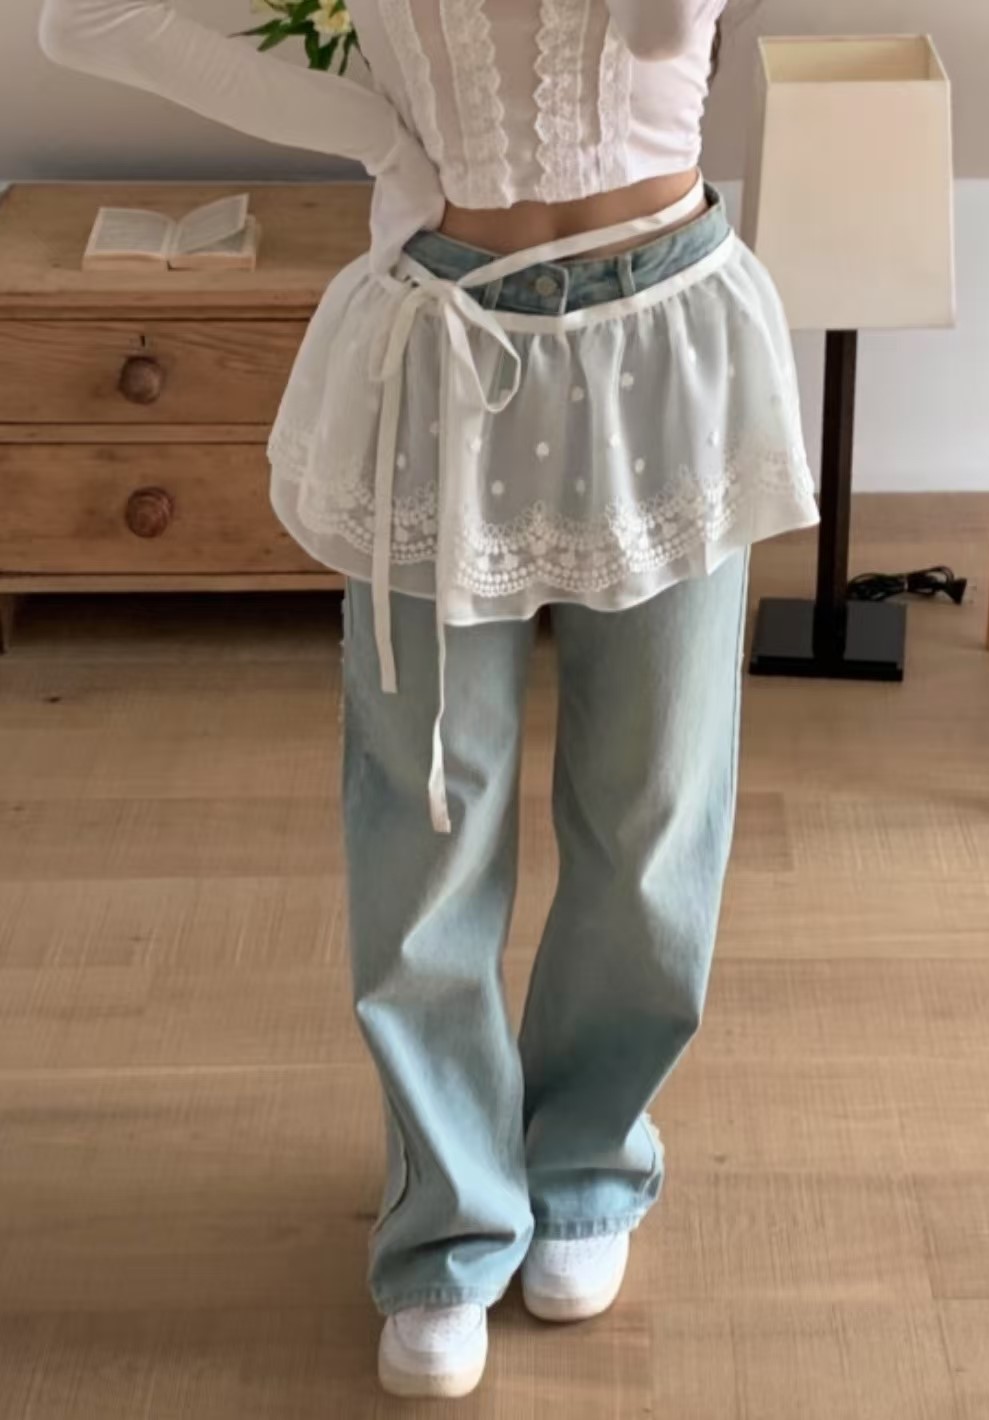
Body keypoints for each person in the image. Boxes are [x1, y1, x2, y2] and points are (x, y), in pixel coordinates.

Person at [39, 0, 818, 1399]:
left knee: (653, 807)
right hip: (445, 342)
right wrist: (377, 129)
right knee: (424, 820)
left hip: (666, 337)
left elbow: (662, 32)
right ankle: (451, 1221)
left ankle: (586, 1166)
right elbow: (86, 17)